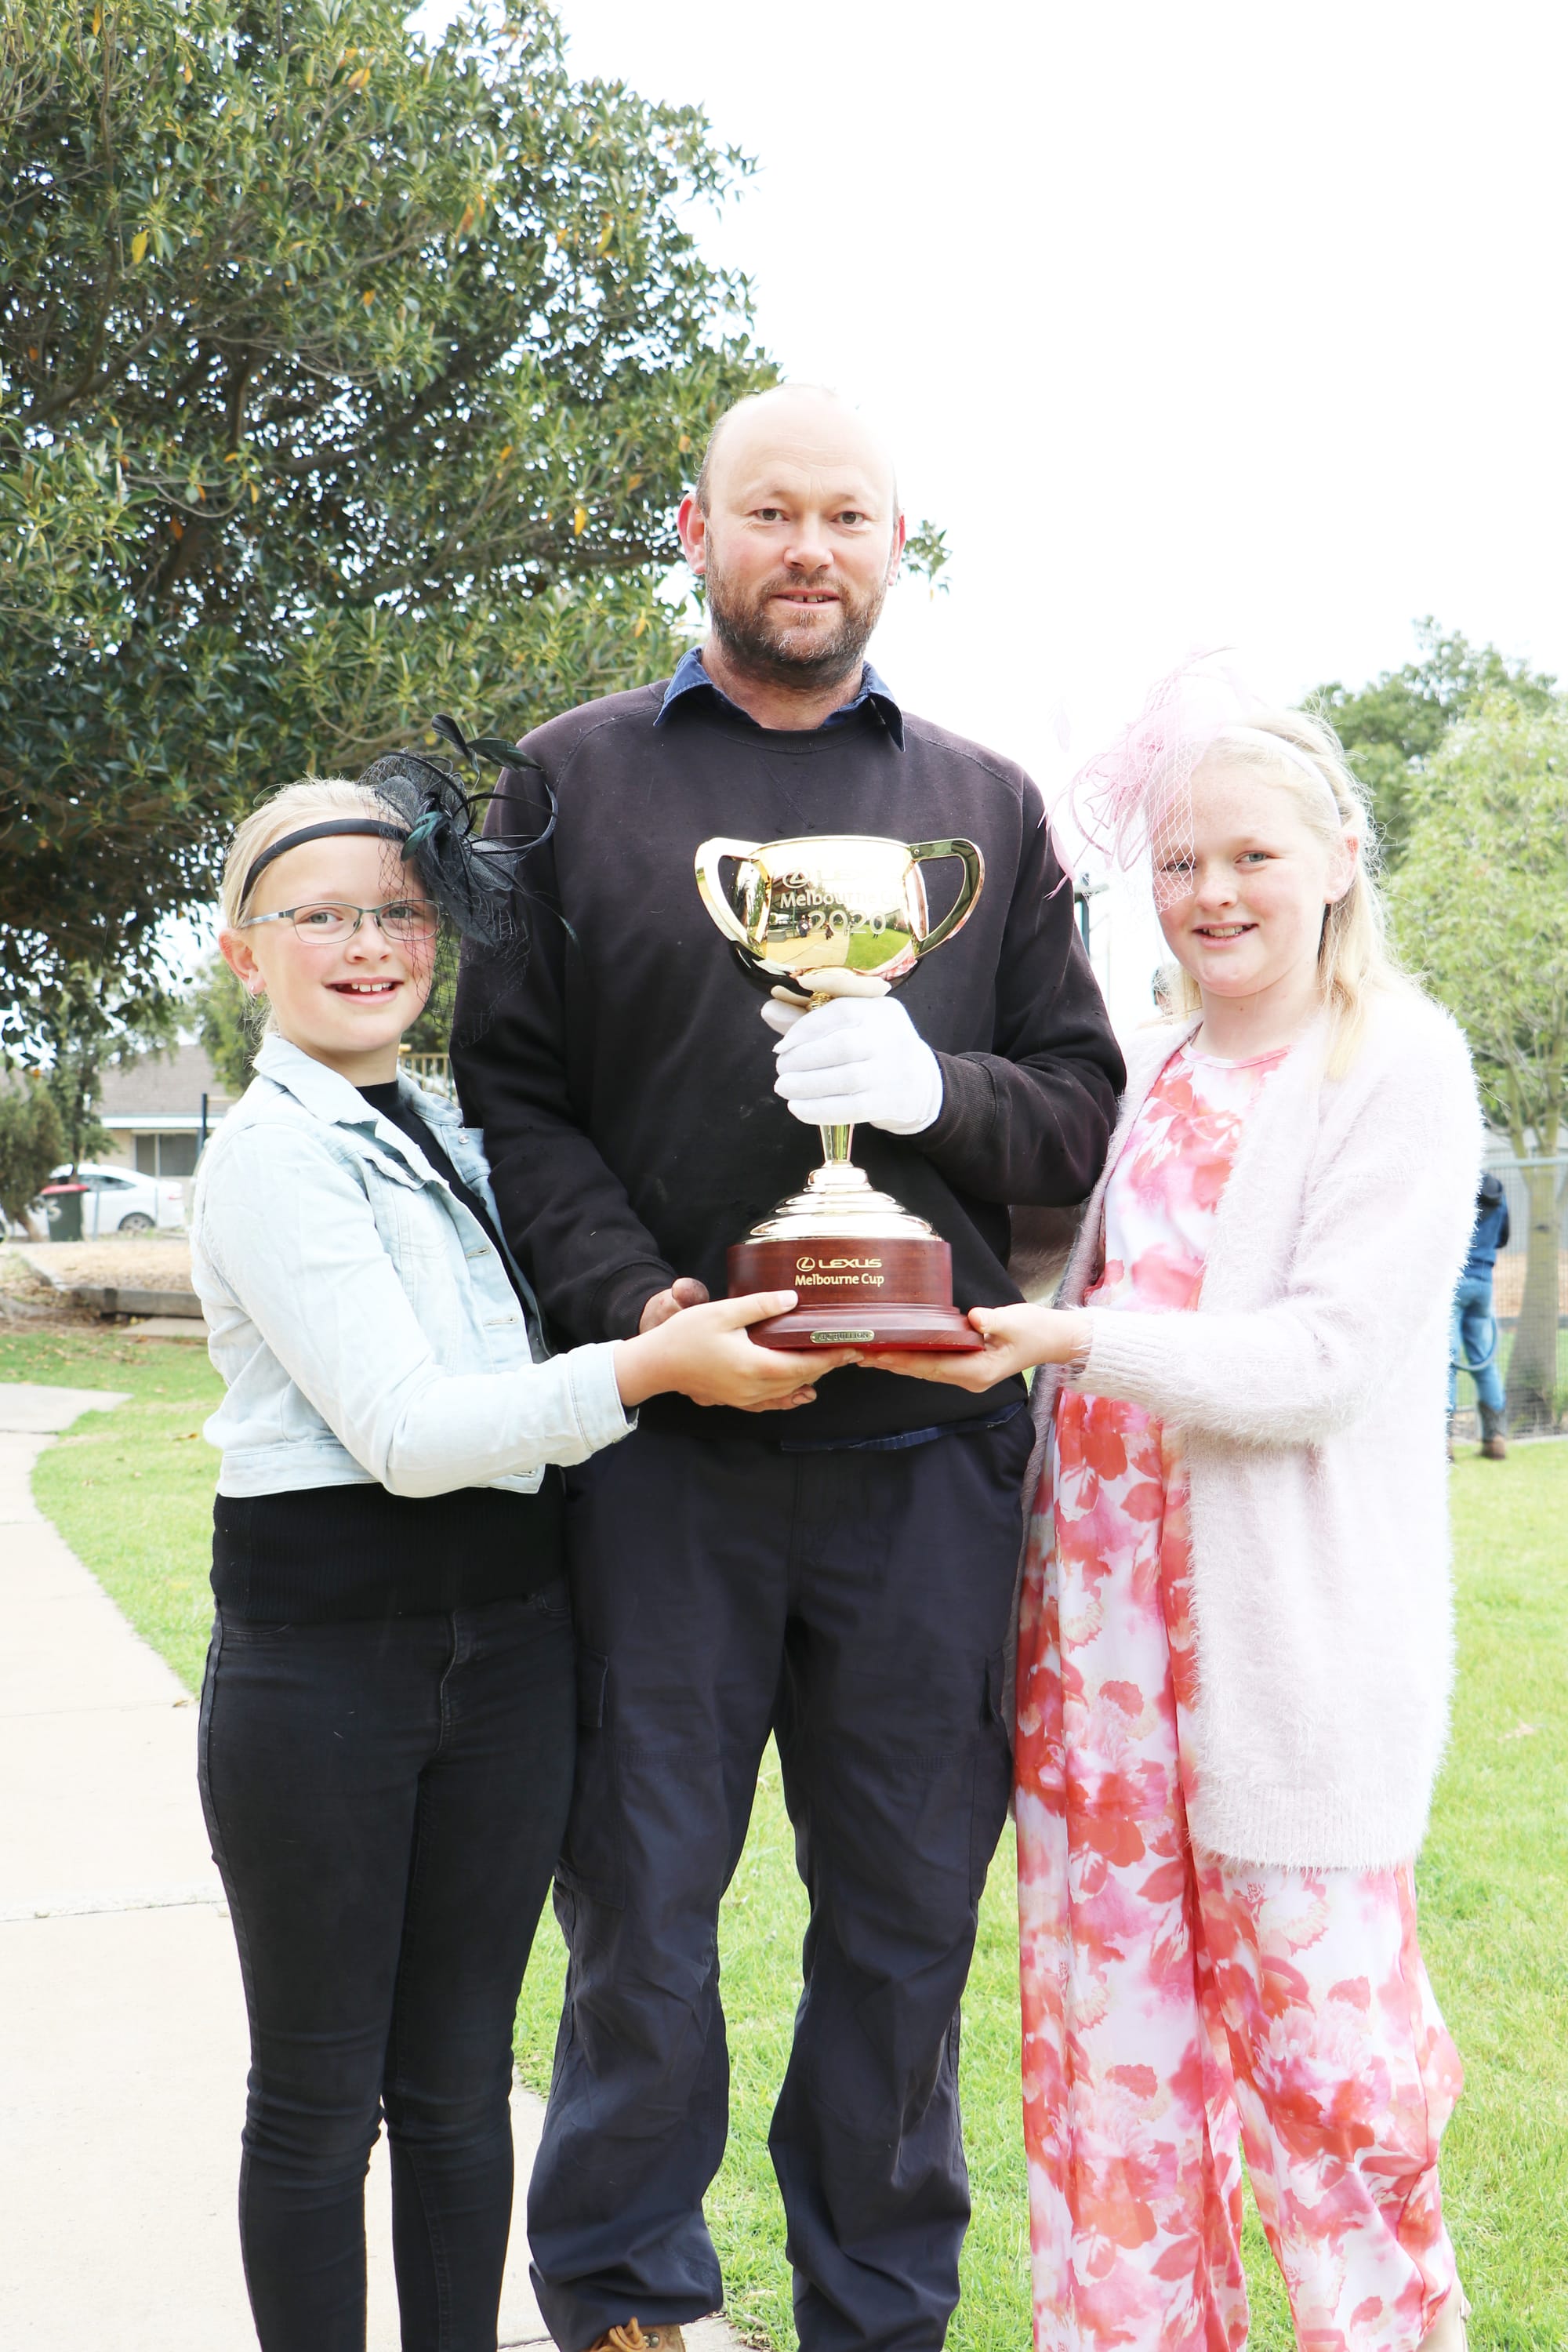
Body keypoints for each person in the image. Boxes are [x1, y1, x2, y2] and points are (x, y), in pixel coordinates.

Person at [451, 383, 1125, 2352]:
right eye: (770, 511)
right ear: (696, 527)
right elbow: (517, 1093)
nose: (806, 547)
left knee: (903, 1923)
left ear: (893, 545)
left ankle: (875, 2306)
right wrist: (639, 1311)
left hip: (926, 1452)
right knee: (643, 1908)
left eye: (845, 514)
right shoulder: (567, 781)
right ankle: (628, 2302)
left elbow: (1077, 1110)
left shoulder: (985, 807)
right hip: (671, 1454)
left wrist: (933, 1084)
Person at [190, 760, 846, 2352]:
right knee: (319, 2095)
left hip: (504, 1646)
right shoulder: (273, 1155)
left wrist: (649, 1312)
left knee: (464, 2081)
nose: (368, 944)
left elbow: (530, 1331)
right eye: (320, 915)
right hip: (323, 1670)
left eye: (399, 913)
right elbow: (413, 1432)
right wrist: (649, 1375)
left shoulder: (451, 1132)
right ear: (243, 950)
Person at [878, 676, 1479, 2352]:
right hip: (1095, 1685)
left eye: (1249, 856)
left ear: (1338, 856)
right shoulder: (1153, 1068)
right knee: (1112, 2126)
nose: (1212, 893)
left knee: (1339, 2104)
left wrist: (1070, 1337)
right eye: (1180, 861)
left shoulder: (1393, 1064)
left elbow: (1326, 1362)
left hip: (1282, 1691)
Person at [1450, 1171, 1510, 1458]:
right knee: (1484, 1360)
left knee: (1447, 1362)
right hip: (1484, 1283)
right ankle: (1495, 1438)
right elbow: (1503, 1238)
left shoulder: (1455, 1187)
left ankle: (1443, 1443)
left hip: (1454, 1283)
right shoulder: (1497, 1190)